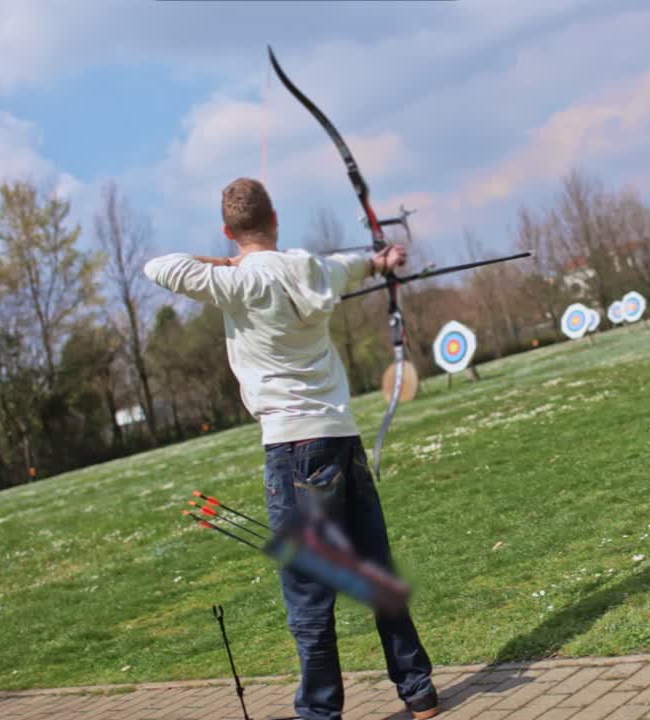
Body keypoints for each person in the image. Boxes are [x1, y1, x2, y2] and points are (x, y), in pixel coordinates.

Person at [143, 178, 439, 720]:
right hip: (340, 437)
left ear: (229, 232)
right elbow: (352, 267)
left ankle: (320, 714)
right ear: (276, 217)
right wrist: (382, 261)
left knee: (308, 591)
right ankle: (418, 690)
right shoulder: (308, 267)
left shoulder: (235, 282)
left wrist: (228, 263)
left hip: (292, 448)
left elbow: (158, 267)